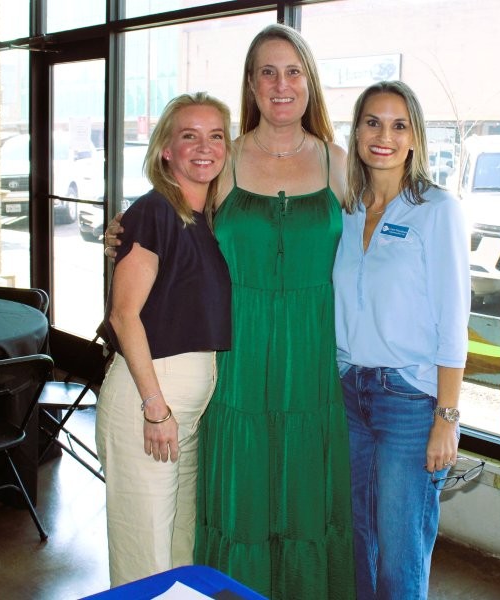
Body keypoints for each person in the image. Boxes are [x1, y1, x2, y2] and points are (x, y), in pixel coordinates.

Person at [104, 23, 356, 600]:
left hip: (311, 362)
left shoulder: (338, 162)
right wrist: (124, 229)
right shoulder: (226, 162)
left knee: (302, 500)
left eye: (293, 71)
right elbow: (173, 219)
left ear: (310, 83)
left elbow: (380, 243)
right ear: (251, 83)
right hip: (236, 363)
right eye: (268, 72)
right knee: (222, 508)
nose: (281, 84)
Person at [333, 80, 471, 599]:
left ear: (415, 138)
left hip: (409, 402)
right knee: (355, 542)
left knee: (400, 552)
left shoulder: (436, 210)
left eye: (398, 125)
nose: (384, 136)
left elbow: (452, 321)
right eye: (372, 122)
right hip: (348, 393)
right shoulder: (346, 209)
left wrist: (446, 419)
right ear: (357, 132)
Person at [95, 91, 232, 587]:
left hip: (184, 410)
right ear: (166, 150)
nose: (205, 146)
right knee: (145, 555)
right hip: (148, 398)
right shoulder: (153, 212)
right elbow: (123, 314)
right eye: (189, 135)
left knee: (178, 546)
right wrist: (155, 408)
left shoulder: (206, 219)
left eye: (216, 135)